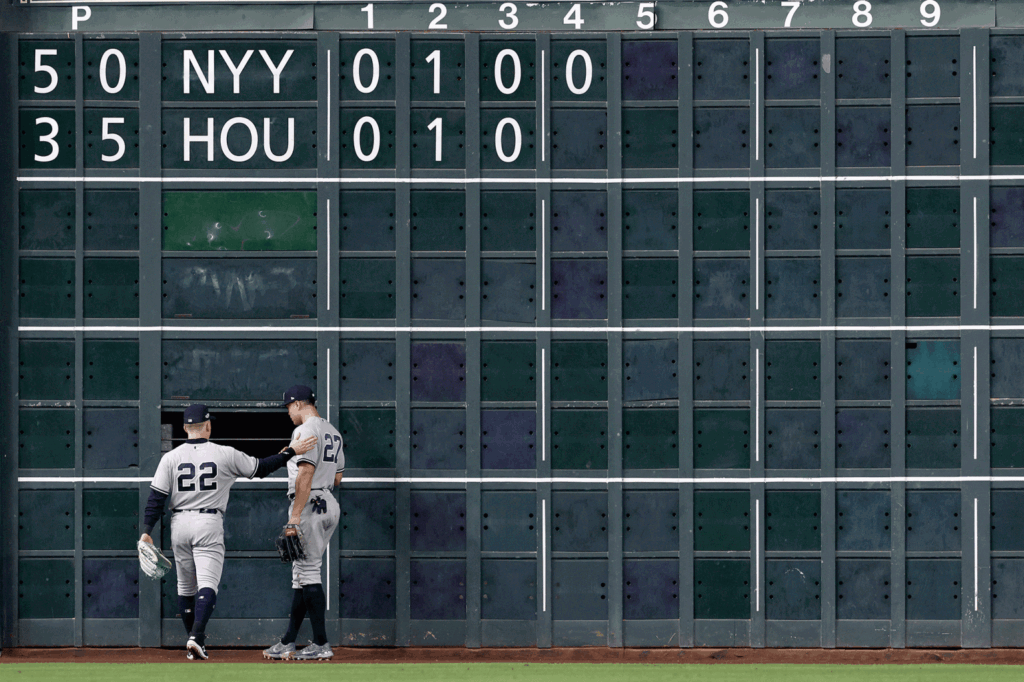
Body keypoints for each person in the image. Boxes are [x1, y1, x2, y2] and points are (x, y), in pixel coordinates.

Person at [140, 404, 317, 661]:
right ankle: (196, 637)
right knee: (208, 584)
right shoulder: (223, 453)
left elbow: (156, 499)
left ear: (184, 428)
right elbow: (261, 468)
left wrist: (147, 531)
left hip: (179, 522)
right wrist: (291, 451)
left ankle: (194, 641)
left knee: (184, 587)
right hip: (208, 521)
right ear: (208, 426)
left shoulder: (171, 457)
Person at [263, 385, 344, 661]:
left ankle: (322, 643)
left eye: (288, 407)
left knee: (308, 573)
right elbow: (337, 479)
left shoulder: (304, 430)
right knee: (301, 574)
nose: (288, 413)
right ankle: (288, 641)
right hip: (329, 503)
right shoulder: (332, 430)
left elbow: (306, 474)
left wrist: (295, 515)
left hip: (310, 505)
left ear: (298, 404)